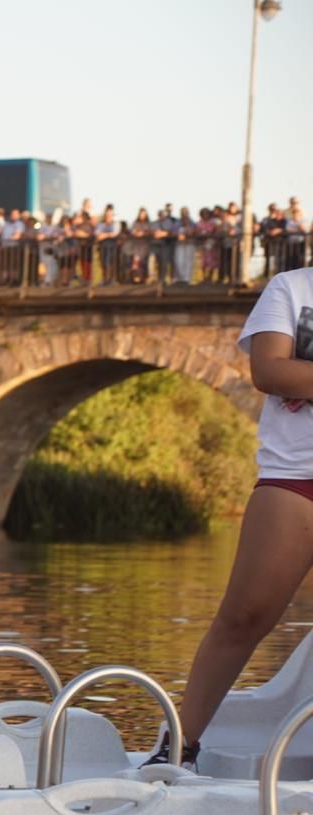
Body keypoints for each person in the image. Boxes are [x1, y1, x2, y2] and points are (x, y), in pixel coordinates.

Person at [159, 267, 313, 767]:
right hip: (296, 476)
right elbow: (269, 371)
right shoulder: (292, 288)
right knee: (243, 617)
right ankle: (179, 746)